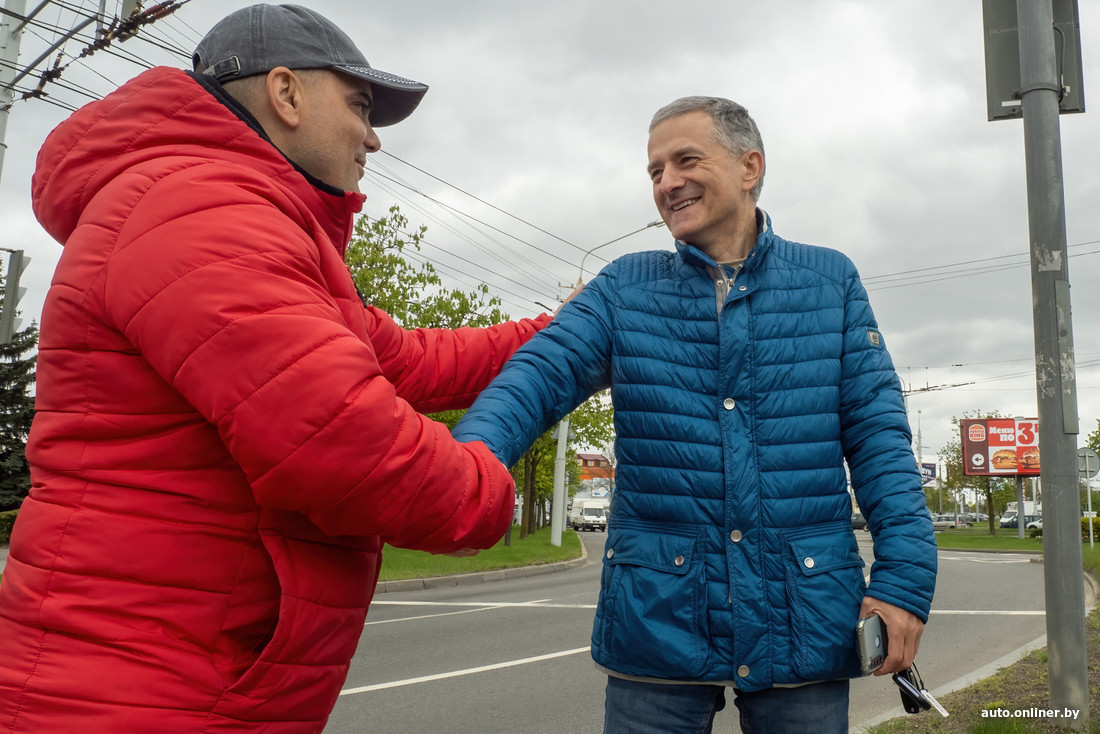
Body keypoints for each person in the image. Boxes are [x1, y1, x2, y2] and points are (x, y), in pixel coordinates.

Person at [0, 4, 552, 732]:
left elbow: (406, 360)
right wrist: (489, 486)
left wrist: (568, 327)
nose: (373, 137)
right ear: (285, 94)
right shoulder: (199, 208)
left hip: (173, 677)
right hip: (142, 692)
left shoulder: (238, 214)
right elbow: (343, 444)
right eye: (359, 105)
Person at [452, 96, 938, 733]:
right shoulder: (625, 287)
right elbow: (535, 378)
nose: (667, 182)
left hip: (804, 613)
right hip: (658, 617)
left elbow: (880, 442)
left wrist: (903, 580)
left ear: (749, 167)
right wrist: (463, 467)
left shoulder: (829, 283)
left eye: (685, 160)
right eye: (655, 171)